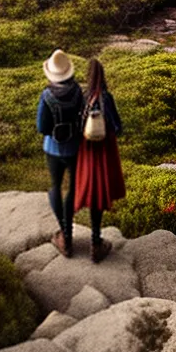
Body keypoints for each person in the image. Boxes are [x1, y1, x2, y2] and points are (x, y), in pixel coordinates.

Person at [74, 57, 125, 263]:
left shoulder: (84, 97)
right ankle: (96, 241)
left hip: (86, 151)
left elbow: (78, 125)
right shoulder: (107, 98)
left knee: (88, 188)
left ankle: (74, 237)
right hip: (104, 152)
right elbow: (117, 127)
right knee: (101, 191)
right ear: (103, 76)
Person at [36, 49, 84, 257]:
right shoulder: (77, 91)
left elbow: (41, 126)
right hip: (75, 147)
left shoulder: (46, 96)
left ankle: (64, 235)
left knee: (55, 186)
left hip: (53, 149)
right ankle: (69, 232)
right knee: (72, 188)